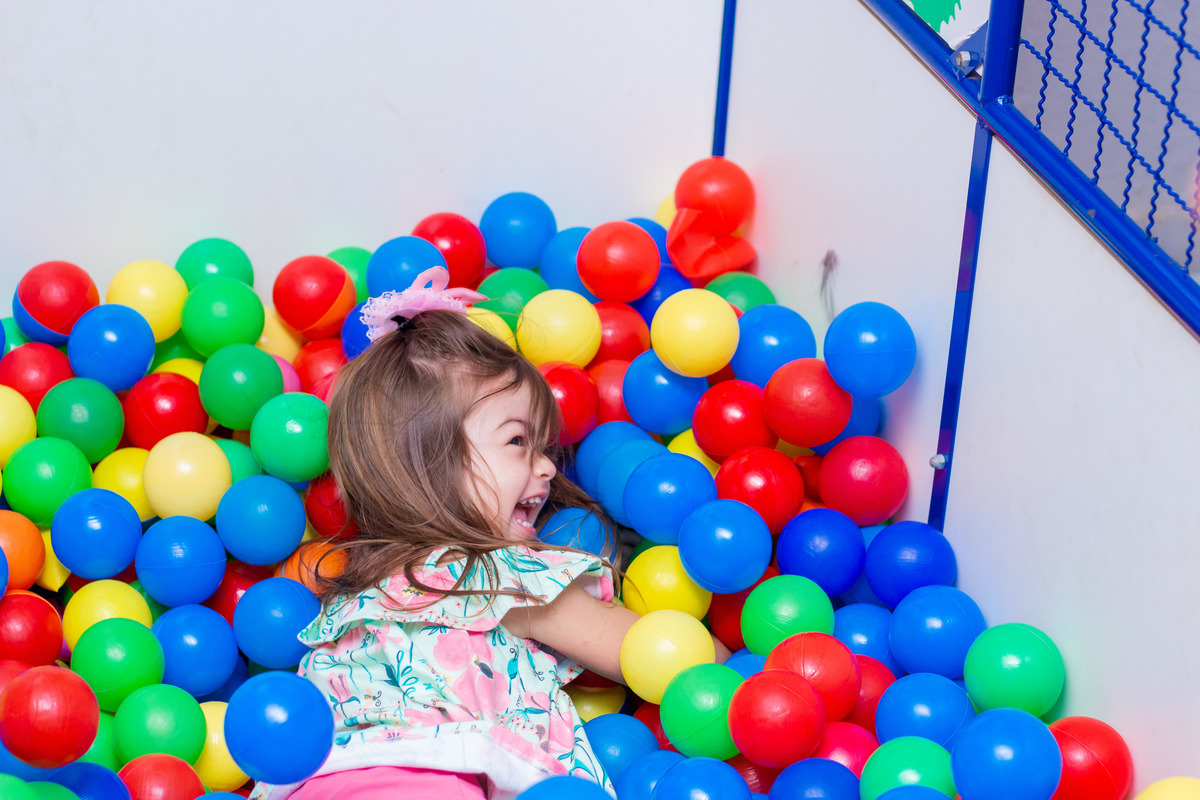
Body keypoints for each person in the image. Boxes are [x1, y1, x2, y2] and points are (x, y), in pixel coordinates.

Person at [250, 268, 729, 800]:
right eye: (518, 441)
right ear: (430, 464)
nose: (547, 468)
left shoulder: (354, 599)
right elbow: (648, 651)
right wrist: (737, 667)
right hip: (440, 775)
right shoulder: (496, 576)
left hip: (310, 778)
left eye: (545, 448)